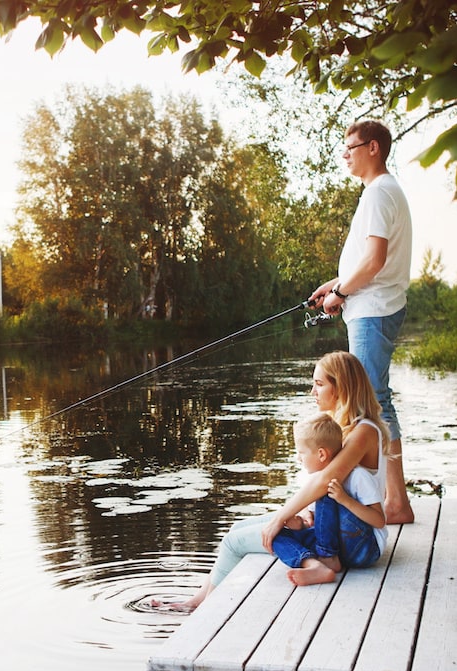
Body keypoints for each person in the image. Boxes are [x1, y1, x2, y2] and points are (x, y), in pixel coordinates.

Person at [154, 351, 391, 612]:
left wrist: (281, 517)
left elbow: (325, 481)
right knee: (237, 529)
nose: (313, 390)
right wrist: (299, 515)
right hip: (342, 532)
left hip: (362, 539)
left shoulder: (363, 430)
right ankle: (197, 601)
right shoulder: (337, 426)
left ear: (341, 387)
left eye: (320, 384)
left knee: (240, 541)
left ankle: (203, 609)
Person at [310, 119, 415, 525]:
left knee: (371, 402)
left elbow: (375, 262)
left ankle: (395, 502)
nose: (345, 154)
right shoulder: (384, 192)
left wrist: (343, 293)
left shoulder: (378, 193)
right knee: (375, 400)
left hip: (373, 307)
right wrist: (335, 285)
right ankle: (394, 499)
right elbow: (367, 263)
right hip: (372, 303)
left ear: (373, 147)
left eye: (351, 147)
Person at [271, 412, 387, 586]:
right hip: (336, 549)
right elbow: (320, 525)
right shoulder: (315, 482)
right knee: (274, 534)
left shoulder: (357, 477)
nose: (298, 458)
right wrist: (300, 525)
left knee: (326, 490)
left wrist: (345, 500)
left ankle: (327, 558)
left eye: (301, 452)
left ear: (321, 454)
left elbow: (379, 521)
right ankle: (312, 564)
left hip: (365, 549)